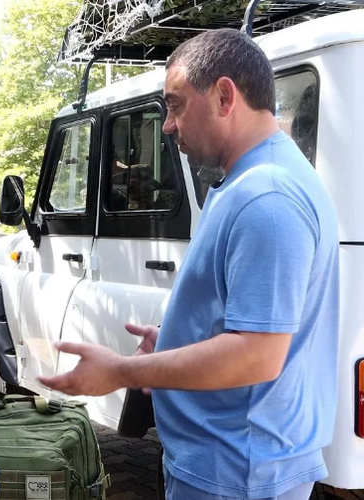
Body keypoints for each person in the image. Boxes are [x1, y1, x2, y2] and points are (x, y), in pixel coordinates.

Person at [40, 29, 339, 500]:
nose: (166, 126)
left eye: (175, 105)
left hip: (237, 473)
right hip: (234, 463)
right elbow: (251, 329)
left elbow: (257, 354)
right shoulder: (254, 181)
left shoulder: (267, 197)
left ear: (224, 96)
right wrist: (180, 341)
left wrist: (122, 372)